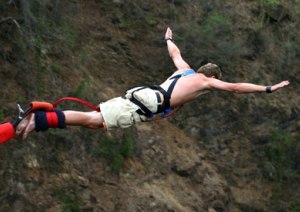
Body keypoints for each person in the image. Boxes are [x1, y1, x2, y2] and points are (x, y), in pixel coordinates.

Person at [16, 27, 290, 140]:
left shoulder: (185, 70)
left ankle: (39, 120)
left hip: (144, 94)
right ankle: (39, 120)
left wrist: (168, 38)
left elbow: (175, 53)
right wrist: (268, 88)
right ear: (212, 76)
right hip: (149, 102)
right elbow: (236, 87)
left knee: (97, 118)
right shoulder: (206, 81)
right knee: (94, 120)